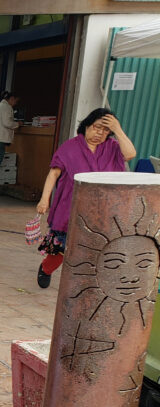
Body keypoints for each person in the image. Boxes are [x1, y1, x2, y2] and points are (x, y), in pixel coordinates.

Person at [35, 108, 136, 288]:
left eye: (106, 130)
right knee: (58, 250)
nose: (100, 133)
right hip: (69, 210)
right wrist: (44, 199)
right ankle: (46, 269)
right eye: (96, 128)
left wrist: (118, 130)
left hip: (103, 212)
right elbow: (53, 174)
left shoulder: (112, 147)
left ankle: (86, 282)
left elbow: (130, 154)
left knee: (95, 250)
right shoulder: (70, 147)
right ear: (86, 126)